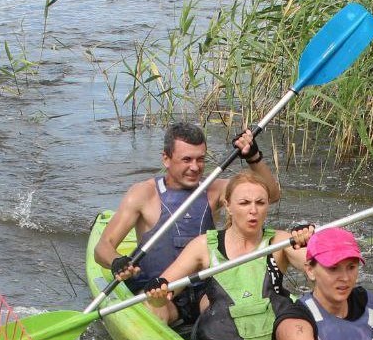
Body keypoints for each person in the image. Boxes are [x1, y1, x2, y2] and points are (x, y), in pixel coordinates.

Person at [94, 121, 281, 324]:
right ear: (166, 159)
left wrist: (253, 157)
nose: (195, 167)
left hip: (204, 290)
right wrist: (116, 261)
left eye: (200, 159)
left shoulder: (214, 190)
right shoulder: (143, 194)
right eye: (186, 159)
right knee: (156, 313)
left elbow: (270, 195)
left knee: (231, 309)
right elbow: (103, 247)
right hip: (160, 292)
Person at [145, 171, 310, 340]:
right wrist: (156, 297)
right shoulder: (204, 246)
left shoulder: (279, 241)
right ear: (228, 206)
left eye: (260, 203)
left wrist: (311, 243)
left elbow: (315, 267)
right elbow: (165, 289)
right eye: (244, 203)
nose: (253, 210)